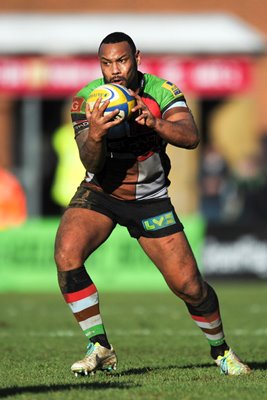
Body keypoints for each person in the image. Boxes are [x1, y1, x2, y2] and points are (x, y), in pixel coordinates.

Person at [54, 32, 251, 377]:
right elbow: (91, 161)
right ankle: (100, 346)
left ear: (137, 58)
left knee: (189, 287)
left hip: (150, 199)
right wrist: (96, 134)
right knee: (66, 254)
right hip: (101, 193)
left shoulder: (162, 91)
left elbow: (191, 137)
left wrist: (153, 121)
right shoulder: (86, 99)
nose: (114, 69)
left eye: (122, 60)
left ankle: (221, 351)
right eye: (106, 62)